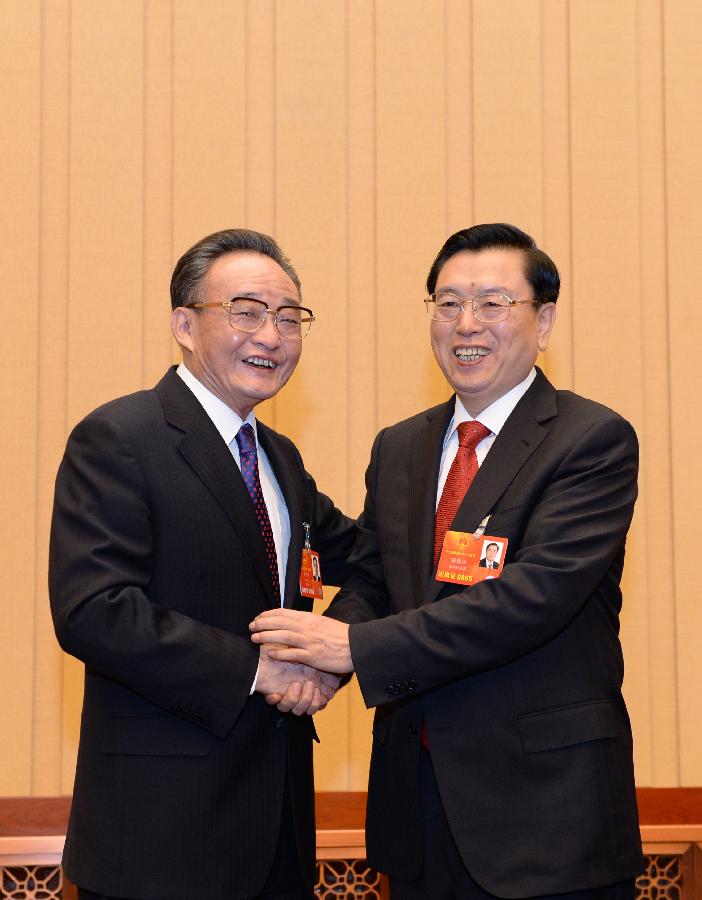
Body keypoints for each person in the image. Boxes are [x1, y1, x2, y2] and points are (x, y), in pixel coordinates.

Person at [250, 224, 645, 899]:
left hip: (548, 817)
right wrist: (318, 665)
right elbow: (377, 576)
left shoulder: (591, 441)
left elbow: (531, 599)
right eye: (448, 302)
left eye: (494, 303)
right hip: (418, 814)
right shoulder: (400, 447)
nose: (467, 324)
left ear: (543, 321)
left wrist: (353, 648)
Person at [49, 229, 356, 900]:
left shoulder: (281, 459)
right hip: (160, 840)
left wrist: (338, 648)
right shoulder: (121, 438)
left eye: (289, 316)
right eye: (245, 311)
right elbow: (93, 612)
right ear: (184, 325)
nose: (271, 336)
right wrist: (258, 668)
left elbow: (366, 559)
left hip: (278, 835)